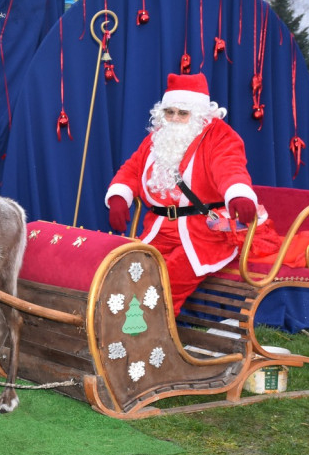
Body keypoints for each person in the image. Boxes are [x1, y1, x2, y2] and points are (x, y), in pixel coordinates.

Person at [106, 73, 260, 315]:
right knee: (131, 268)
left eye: (182, 113)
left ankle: (153, 342)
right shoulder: (156, 139)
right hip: (158, 228)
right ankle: (127, 334)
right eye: (170, 112)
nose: (175, 118)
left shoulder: (219, 135)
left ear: (198, 114)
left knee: (165, 282)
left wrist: (238, 193)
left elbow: (229, 165)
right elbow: (133, 169)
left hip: (202, 232)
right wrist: (119, 196)